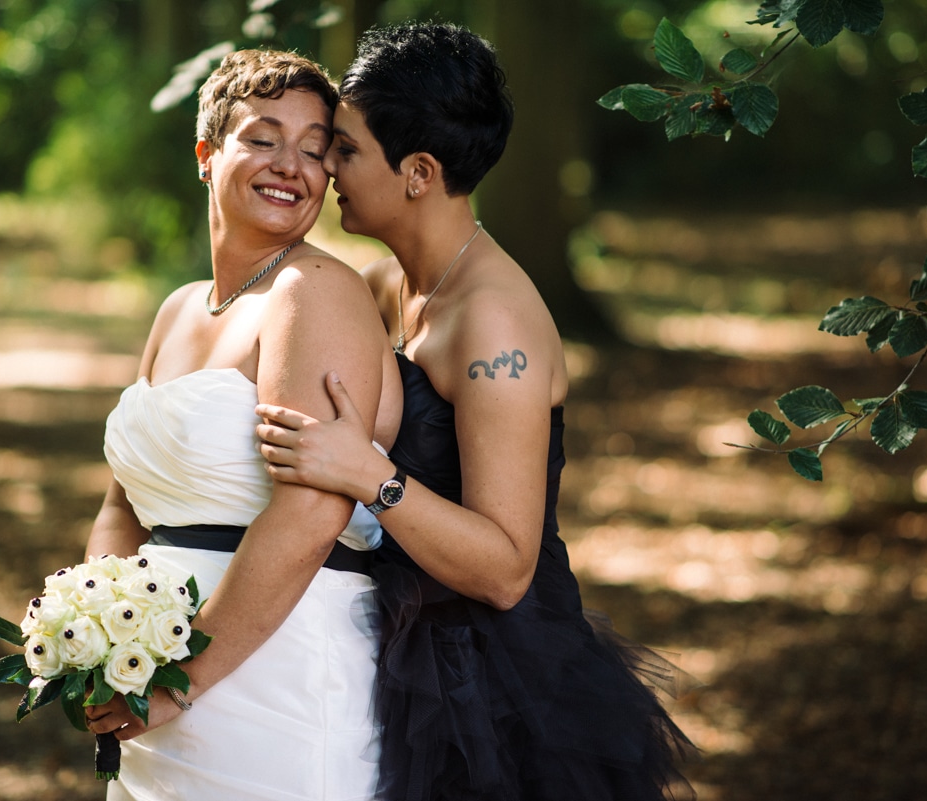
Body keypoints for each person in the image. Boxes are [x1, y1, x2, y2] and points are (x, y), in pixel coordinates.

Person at [255, 21, 695, 801]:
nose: (326, 166)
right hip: (395, 644)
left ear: (418, 172)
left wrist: (369, 474)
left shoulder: (496, 322)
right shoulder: (387, 285)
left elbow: (505, 569)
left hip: (499, 686)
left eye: (346, 149)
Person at [80, 48, 401, 801]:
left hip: (278, 681)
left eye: (315, 149)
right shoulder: (178, 308)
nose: (289, 163)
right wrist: (101, 641)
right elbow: (122, 503)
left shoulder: (313, 290)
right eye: (262, 138)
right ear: (206, 154)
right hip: (157, 679)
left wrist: (181, 680)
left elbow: (312, 509)